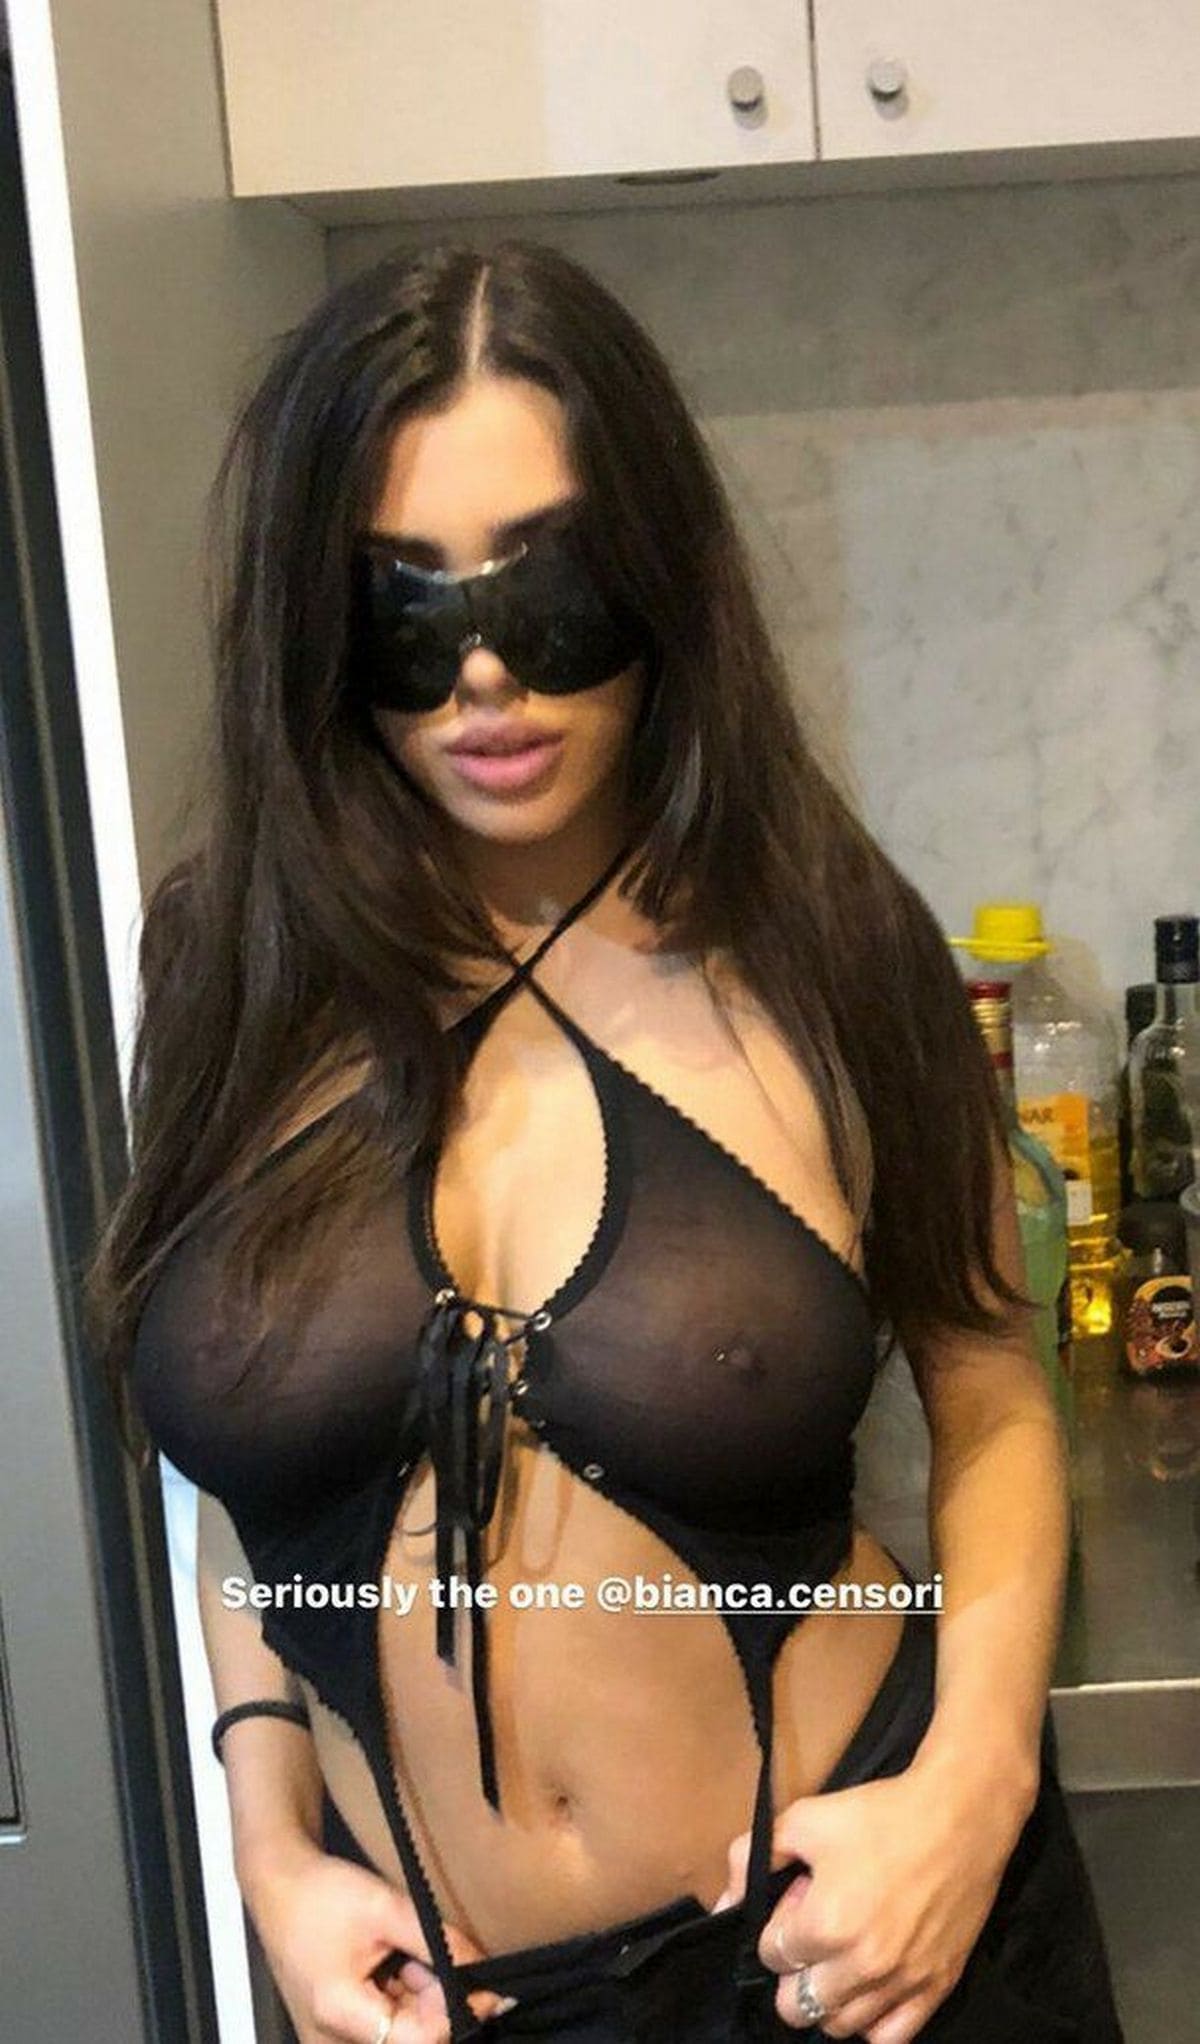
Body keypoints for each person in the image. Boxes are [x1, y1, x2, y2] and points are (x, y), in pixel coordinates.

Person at [86, 239, 1123, 2044]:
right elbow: (254, 1485)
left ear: (657, 578)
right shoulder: (229, 968)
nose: (487, 676)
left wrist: (975, 1789)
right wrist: (269, 1846)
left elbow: (990, 1390)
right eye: (405, 613)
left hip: (862, 1953)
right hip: (444, 2005)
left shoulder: (824, 939)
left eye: (551, 595)